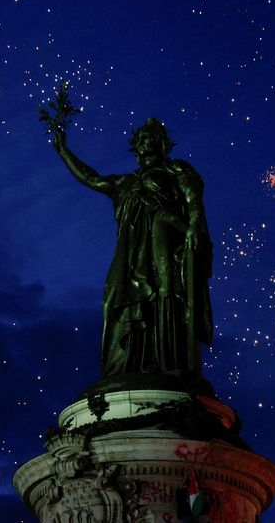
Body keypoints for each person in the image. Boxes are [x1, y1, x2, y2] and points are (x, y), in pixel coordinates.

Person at [52, 118, 213, 378]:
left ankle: (169, 361)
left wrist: (194, 227)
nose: (142, 148)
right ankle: (129, 364)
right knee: (114, 296)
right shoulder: (125, 183)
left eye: (147, 141)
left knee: (166, 293)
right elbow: (91, 179)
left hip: (166, 244)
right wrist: (63, 151)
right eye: (138, 144)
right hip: (131, 256)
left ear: (161, 145)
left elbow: (194, 200)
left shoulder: (176, 171)